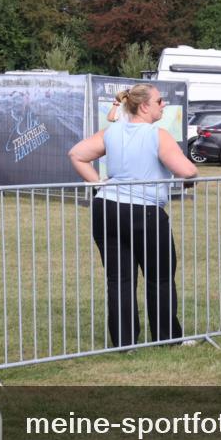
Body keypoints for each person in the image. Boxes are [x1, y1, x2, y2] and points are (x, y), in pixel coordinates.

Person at [68, 83, 198, 349]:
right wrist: (189, 179)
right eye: (159, 101)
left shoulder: (112, 131)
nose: (163, 105)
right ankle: (167, 338)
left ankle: (123, 342)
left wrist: (100, 184)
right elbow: (187, 171)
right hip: (144, 211)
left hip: (107, 209)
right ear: (145, 106)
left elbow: (77, 154)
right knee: (159, 277)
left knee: (119, 279)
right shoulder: (158, 135)